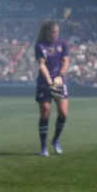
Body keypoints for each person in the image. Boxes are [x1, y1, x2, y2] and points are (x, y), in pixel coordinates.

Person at [34, 20, 69, 156]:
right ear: (47, 32)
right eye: (53, 32)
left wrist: (60, 75)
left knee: (63, 112)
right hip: (44, 82)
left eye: (57, 32)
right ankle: (44, 147)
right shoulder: (40, 45)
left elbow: (66, 61)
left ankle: (55, 139)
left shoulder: (62, 43)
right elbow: (41, 64)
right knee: (45, 113)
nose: (56, 34)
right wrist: (49, 80)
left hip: (59, 81)